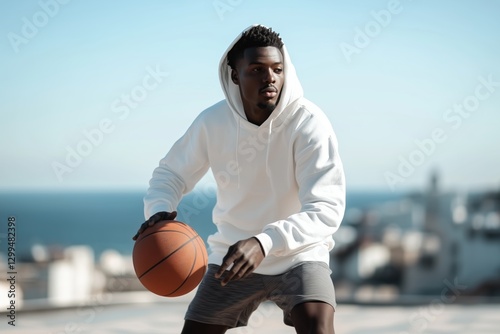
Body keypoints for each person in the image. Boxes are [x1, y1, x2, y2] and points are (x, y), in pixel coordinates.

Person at [133, 25, 346, 334]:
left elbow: (326, 208)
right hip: (233, 258)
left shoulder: (309, 122)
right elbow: (171, 173)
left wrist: (265, 241)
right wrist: (159, 210)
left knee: (317, 324)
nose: (270, 78)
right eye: (257, 69)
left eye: (277, 69)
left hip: (299, 253)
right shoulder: (213, 122)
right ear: (235, 75)